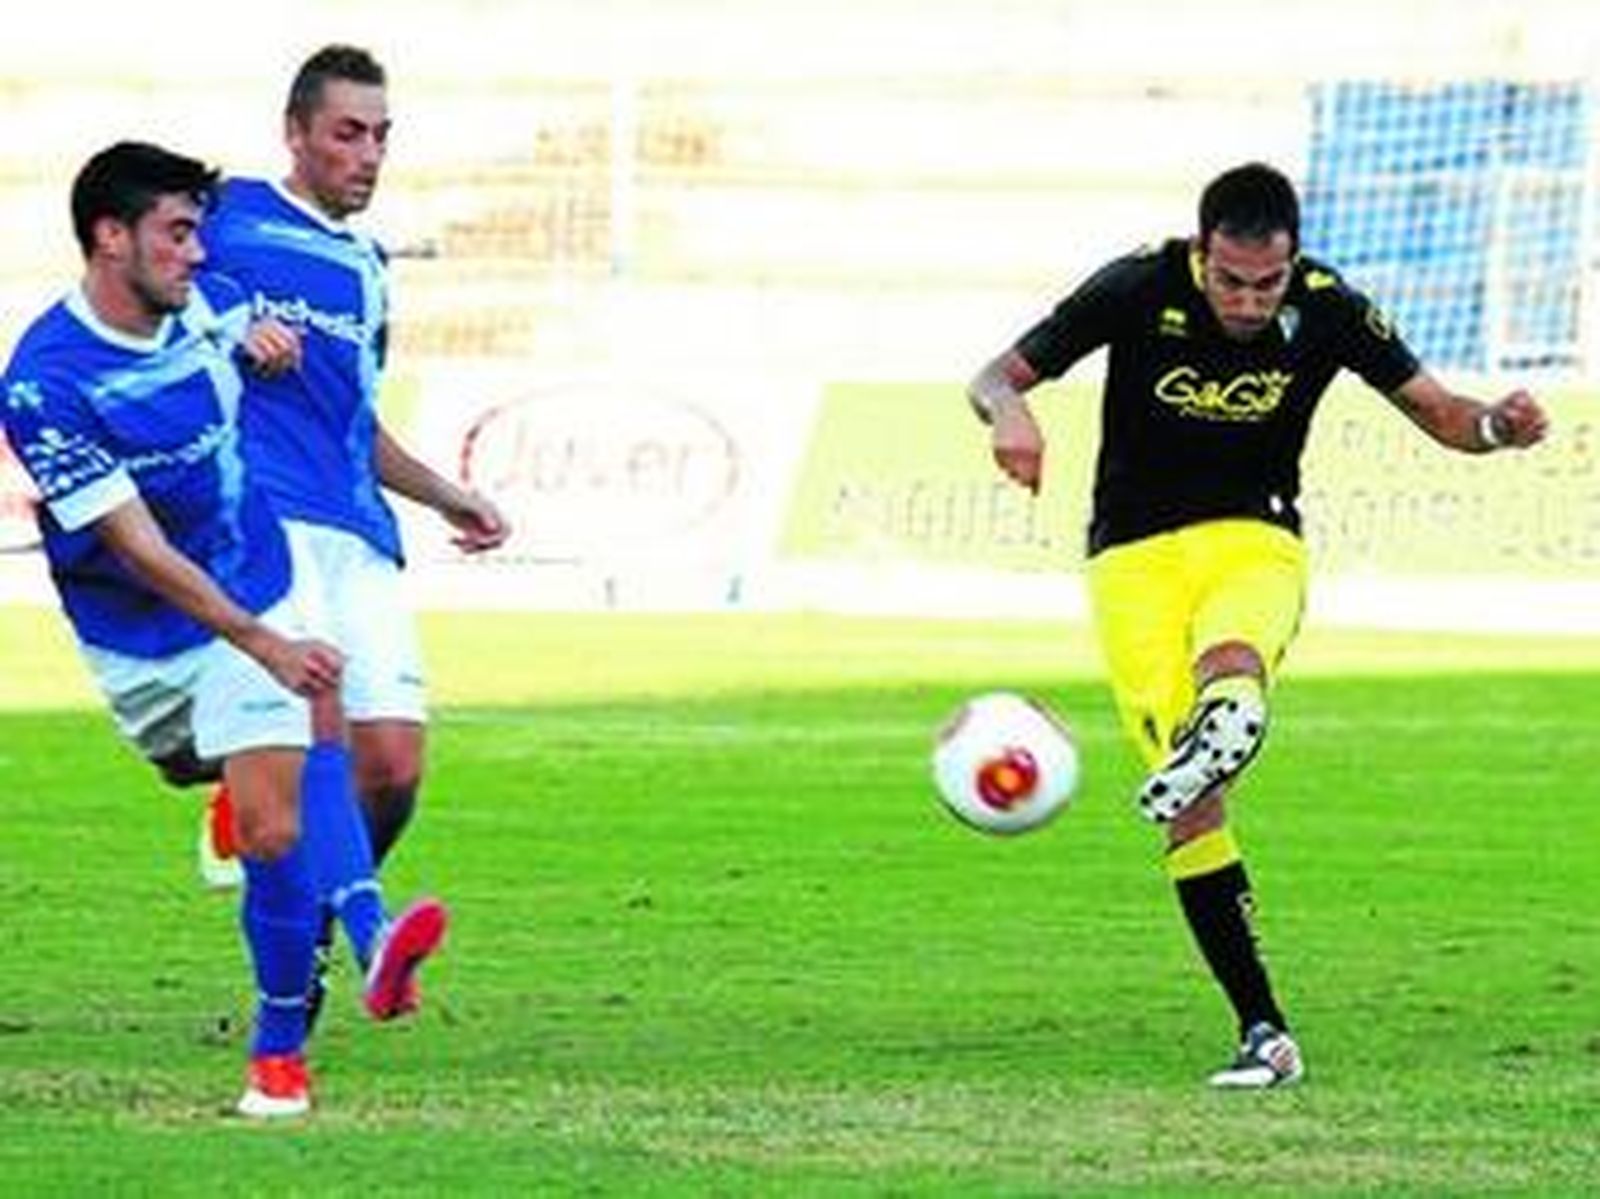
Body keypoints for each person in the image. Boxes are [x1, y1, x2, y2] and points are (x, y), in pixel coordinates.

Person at [966, 161, 1547, 1088]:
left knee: (1232, 658)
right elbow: (996, 375)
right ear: (1202, 254)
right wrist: (1013, 415)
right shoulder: (1136, 286)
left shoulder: (1330, 306)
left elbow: (1442, 414)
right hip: (1130, 559)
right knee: (1190, 801)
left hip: (1254, 535)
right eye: (1230, 281)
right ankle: (1264, 1030)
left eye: (1266, 283)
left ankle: (1231, 712)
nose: (1246, 301)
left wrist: (1497, 430)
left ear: (1293, 260)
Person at [0, 141, 450, 1118]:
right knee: (214, 767)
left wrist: (267, 337)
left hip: (258, 572)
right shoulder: (47, 381)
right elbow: (137, 545)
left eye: (199, 231)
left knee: (275, 820)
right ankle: (255, 811)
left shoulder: (205, 300)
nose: (199, 253)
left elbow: (248, 320)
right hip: (144, 632)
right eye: (176, 233)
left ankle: (288, 1040)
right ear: (109, 237)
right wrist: (261, 642)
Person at [198, 44, 509, 917]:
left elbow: (354, 423)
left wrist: (450, 495)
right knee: (319, 721)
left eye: (381, 135)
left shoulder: (370, 266)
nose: (369, 154)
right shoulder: (227, 214)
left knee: (395, 766)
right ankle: (313, 932)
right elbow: (149, 293)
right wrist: (229, 321)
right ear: (295, 133)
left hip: (358, 527)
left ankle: (308, 914)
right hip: (265, 519)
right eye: (347, 133)